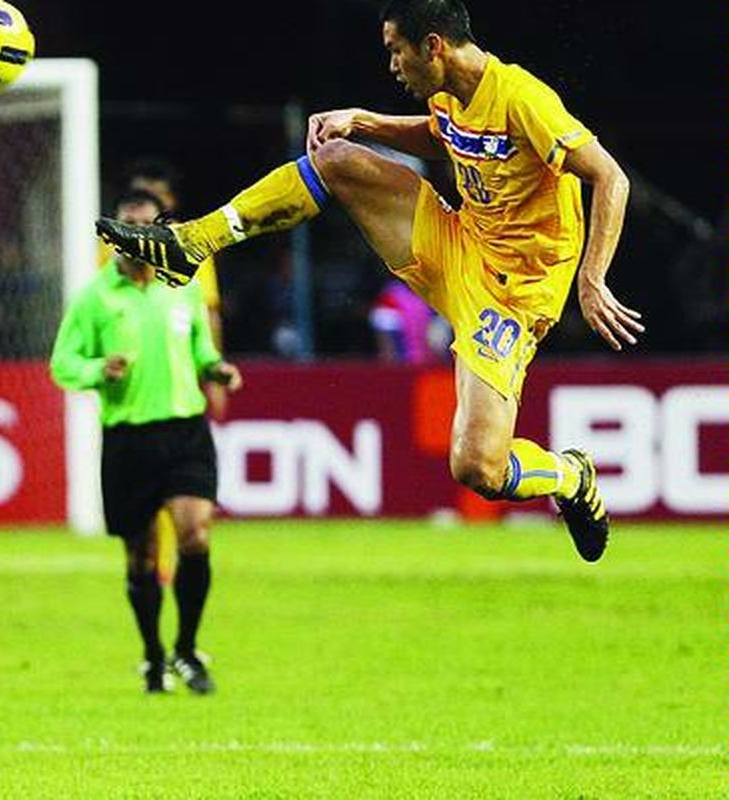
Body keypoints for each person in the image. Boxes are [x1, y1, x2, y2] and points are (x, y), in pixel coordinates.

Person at [97, 0, 643, 562]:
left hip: (513, 294)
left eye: (395, 50)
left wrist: (592, 277)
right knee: (337, 158)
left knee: (477, 465)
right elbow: (442, 138)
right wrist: (363, 120)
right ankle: (193, 241)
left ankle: (570, 477)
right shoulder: (449, 92)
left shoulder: (524, 98)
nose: (392, 65)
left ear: (433, 45)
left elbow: (610, 178)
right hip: (458, 241)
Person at [52, 190, 243, 694]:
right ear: (113, 234)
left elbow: (201, 348)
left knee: (196, 535)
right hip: (128, 438)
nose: (137, 238)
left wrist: (215, 369)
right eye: (128, 227)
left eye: (147, 227)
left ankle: (186, 649)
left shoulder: (184, 287)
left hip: (185, 430)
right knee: (141, 557)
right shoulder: (95, 297)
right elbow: (63, 364)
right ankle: (153, 655)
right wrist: (99, 369)